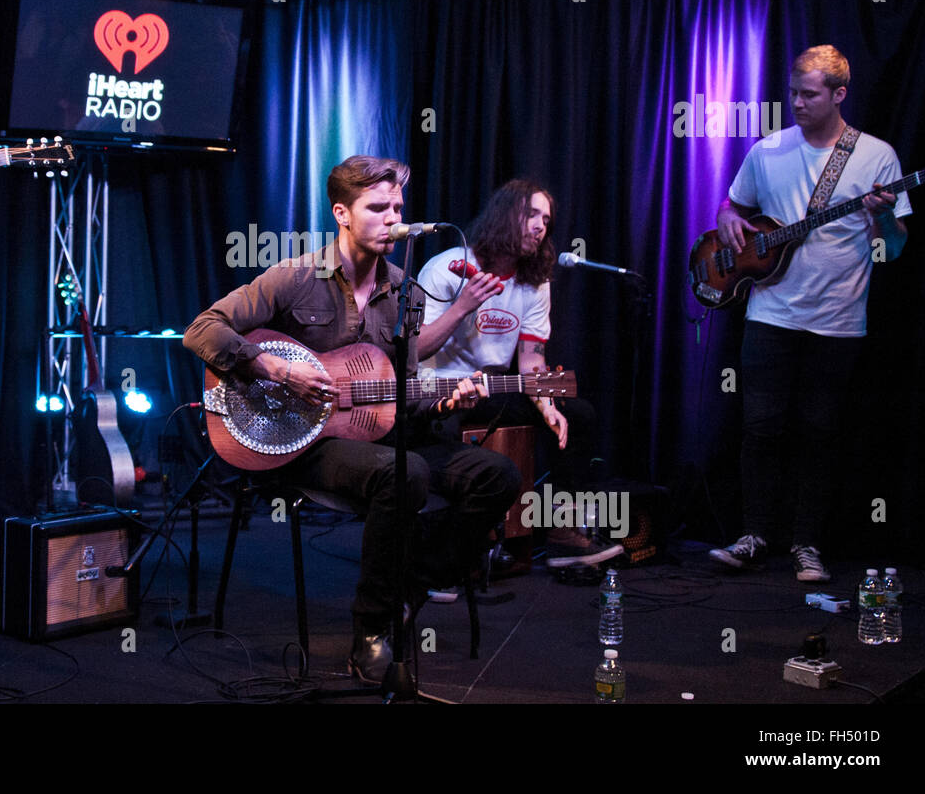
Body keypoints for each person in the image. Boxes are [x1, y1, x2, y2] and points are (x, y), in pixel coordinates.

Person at [184, 156, 521, 682]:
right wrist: (270, 365)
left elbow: (403, 390)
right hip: (304, 440)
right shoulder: (296, 276)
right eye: (378, 207)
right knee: (404, 474)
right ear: (342, 213)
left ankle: (404, 593)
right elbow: (202, 329)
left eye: (398, 208)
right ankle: (371, 629)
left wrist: (447, 399)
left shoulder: (405, 290)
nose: (393, 218)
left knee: (497, 475)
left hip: (378, 433)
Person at [708, 45, 910, 583]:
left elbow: (897, 247)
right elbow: (732, 206)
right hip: (770, 313)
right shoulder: (768, 150)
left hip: (838, 321)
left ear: (839, 94)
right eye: (793, 91)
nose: (796, 102)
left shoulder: (877, 157)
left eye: (808, 94)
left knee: (819, 432)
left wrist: (884, 219)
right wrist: (728, 219)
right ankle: (753, 535)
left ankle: (807, 545)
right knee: (761, 428)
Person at [417, 179, 618, 568]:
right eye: (531, 214)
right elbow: (415, 350)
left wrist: (547, 407)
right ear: (505, 215)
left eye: (547, 218)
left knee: (577, 415)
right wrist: (462, 306)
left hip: (493, 388)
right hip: (436, 392)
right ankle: (450, 553)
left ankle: (561, 530)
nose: (541, 225)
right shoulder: (445, 268)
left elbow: (530, 360)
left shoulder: (534, 281)